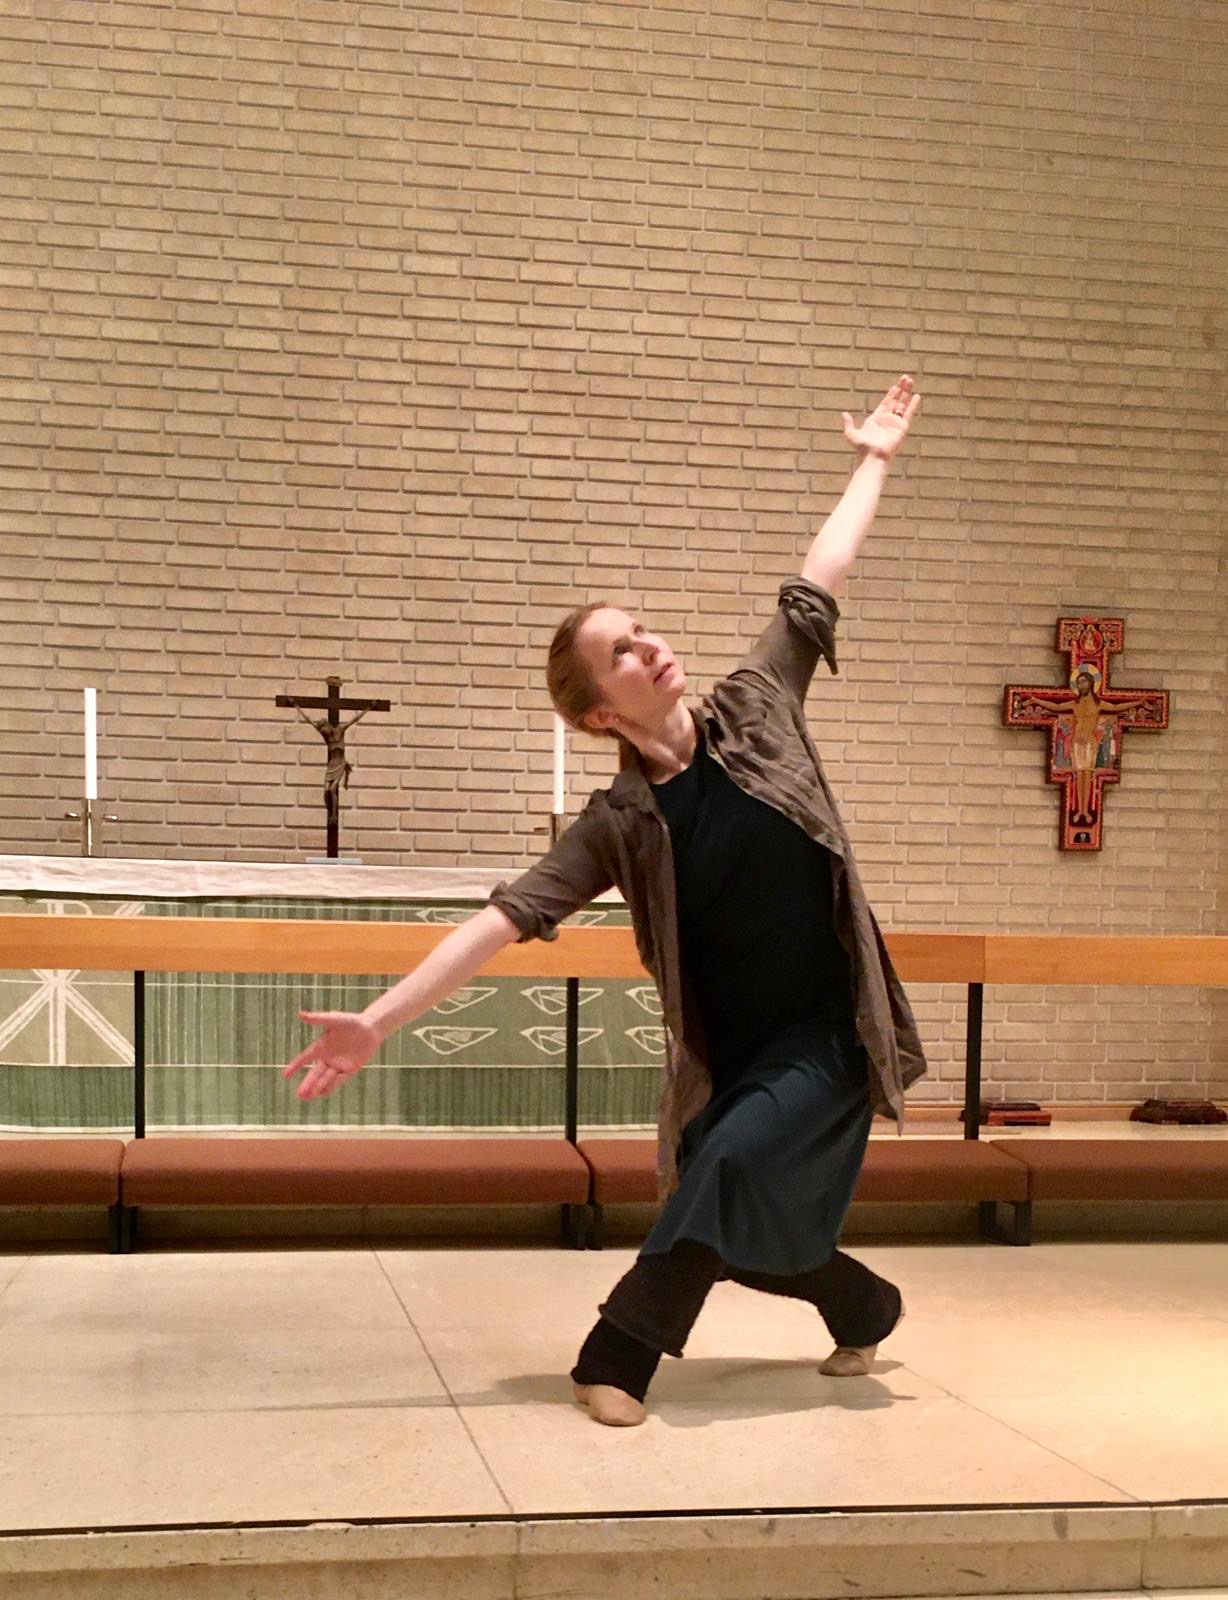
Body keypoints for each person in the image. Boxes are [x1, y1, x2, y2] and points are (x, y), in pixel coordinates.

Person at [284, 375, 927, 1428]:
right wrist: (378, 1021)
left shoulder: (758, 708)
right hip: (732, 1056)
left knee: (725, 1172)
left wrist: (873, 461)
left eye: (644, 630)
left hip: (829, 1033)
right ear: (596, 713)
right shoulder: (619, 824)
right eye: (621, 650)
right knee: (737, 1221)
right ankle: (865, 1304)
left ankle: (614, 1356)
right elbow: (500, 921)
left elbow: (819, 578)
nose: (650, 646)